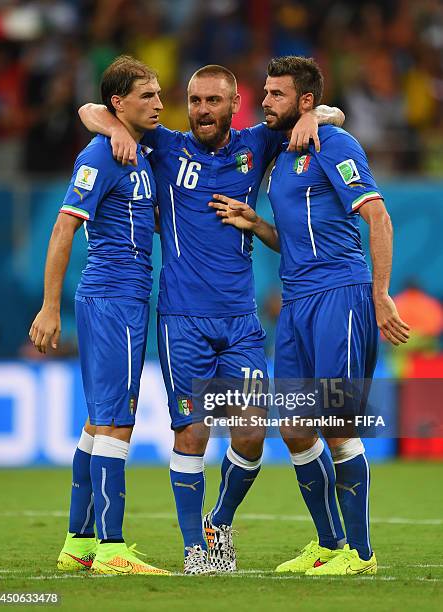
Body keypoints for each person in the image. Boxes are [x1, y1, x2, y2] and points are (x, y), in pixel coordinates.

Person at [79, 64, 344, 574]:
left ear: (234, 103)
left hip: (241, 320)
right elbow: (92, 109)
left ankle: (218, 520)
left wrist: (321, 117)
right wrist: (112, 127)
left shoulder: (257, 144)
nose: (202, 110)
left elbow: (314, 112)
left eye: (213, 101)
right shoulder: (166, 147)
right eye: (195, 100)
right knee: (193, 434)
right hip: (182, 320)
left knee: (250, 432)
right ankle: (194, 552)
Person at [209, 55, 410, 576]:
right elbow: (293, 238)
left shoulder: (334, 144)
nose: (265, 101)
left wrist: (381, 293)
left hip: (339, 295)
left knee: (337, 422)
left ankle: (360, 555)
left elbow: (378, 215)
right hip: (296, 303)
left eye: (276, 94)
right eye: (266, 92)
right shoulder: (284, 151)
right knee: (298, 429)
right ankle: (329, 543)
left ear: (303, 100)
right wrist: (258, 225)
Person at [29, 56, 169, 576]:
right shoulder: (101, 155)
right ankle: (112, 547)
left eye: (158, 93)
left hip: (126, 299)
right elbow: (64, 229)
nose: (158, 103)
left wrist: (111, 122)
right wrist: (48, 307)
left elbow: (90, 108)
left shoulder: (139, 147)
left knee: (97, 421)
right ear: (120, 102)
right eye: (147, 95)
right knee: (118, 421)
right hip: (112, 299)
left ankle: (78, 542)